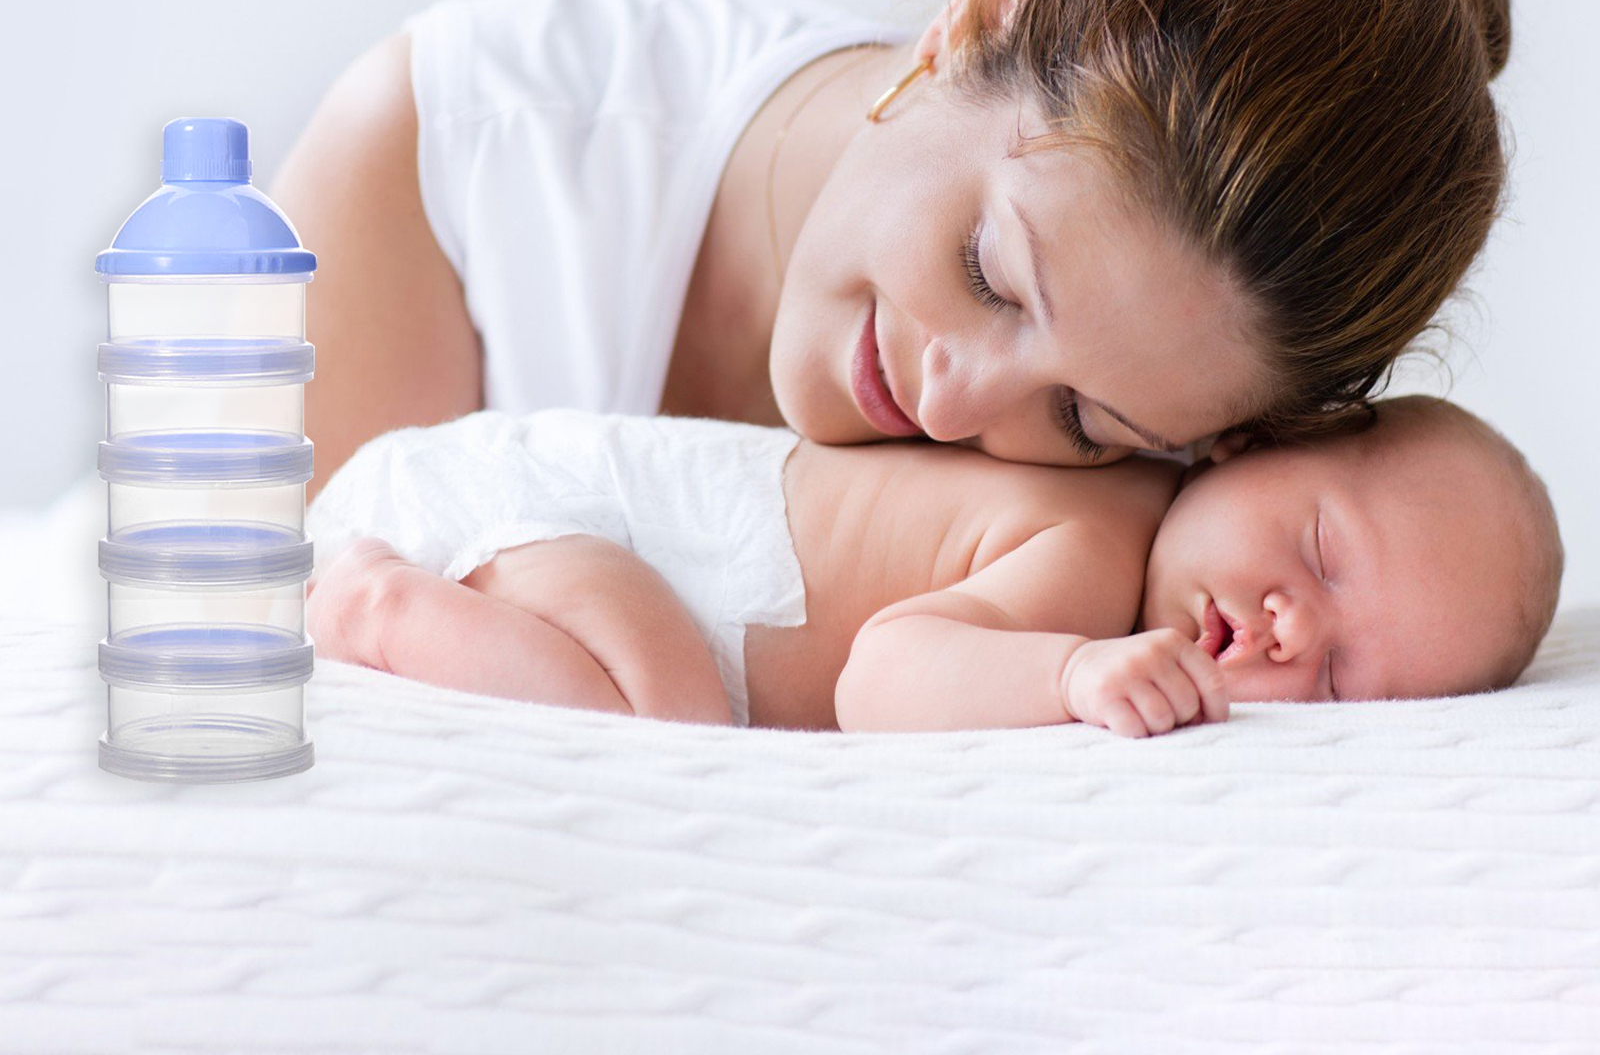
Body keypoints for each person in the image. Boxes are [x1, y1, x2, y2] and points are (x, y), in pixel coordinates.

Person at [271, 0, 1514, 500]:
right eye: (989, 273)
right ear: (983, 15)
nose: (953, 399)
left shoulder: (1150, 468)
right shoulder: (456, 149)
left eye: (1084, 421)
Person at [303, 395, 1563, 735]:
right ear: (1253, 439)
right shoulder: (1096, 538)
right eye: (1321, 553)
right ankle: (377, 604)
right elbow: (880, 678)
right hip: (543, 512)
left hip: (544, 508)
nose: (1292, 628)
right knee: (666, 724)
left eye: (1340, 677)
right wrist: (1067, 674)